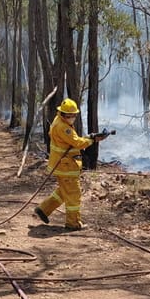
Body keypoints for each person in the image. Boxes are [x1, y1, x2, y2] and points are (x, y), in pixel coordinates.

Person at [34, 98, 109, 230]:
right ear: (62, 113)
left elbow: (72, 141)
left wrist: (90, 137)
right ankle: (73, 223)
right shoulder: (63, 127)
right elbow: (77, 143)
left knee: (64, 192)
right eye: (70, 115)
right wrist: (92, 139)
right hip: (65, 166)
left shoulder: (59, 121)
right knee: (73, 194)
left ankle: (44, 209)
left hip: (62, 164)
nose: (72, 117)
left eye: (74, 115)